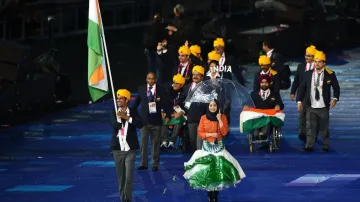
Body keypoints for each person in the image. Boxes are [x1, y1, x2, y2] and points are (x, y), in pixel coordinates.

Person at [184, 100, 246, 202]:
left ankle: (215, 196)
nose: (212, 107)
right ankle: (209, 194)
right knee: (208, 169)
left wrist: (220, 120)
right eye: (210, 105)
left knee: (218, 170)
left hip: (219, 147)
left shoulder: (223, 117)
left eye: (215, 105)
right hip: (207, 147)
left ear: (218, 107)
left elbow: (225, 132)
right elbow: (200, 132)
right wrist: (210, 135)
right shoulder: (203, 117)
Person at [296, 51, 340, 153]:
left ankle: (325, 146)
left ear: (324, 63)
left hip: (323, 106)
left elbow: (336, 88)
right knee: (310, 127)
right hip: (310, 105)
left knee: (324, 128)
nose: (317, 64)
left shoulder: (330, 74)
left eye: (319, 62)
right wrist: (299, 101)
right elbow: (302, 88)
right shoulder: (308, 74)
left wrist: (335, 99)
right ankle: (309, 146)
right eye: (316, 62)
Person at [132, 72, 171, 171]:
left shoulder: (161, 90)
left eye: (152, 79)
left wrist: (168, 115)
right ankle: (143, 163)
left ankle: (155, 164)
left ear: (156, 80)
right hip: (144, 121)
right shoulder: (141, 89)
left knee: (155, 144)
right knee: (143, 144)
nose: (150, 81)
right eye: (149, 79)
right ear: (146, 79)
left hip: (156, 120)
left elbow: (166, 103)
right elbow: (136, 102)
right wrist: (132, 113)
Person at [109, 89, 143, 202]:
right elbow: (116, 125)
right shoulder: (113, 112)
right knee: (121, 177)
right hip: (117, 149)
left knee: (128, 177)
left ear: (126, 100)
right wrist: (119, 118)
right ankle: (122, 199)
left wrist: (127, 117)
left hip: (130, 149)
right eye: (117, 98)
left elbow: (140, 124)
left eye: (121, 98)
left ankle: (127, 199)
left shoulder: (133, 111)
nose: (118, 100)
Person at [290, 45, 317, 142]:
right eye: (306, 55)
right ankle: (302, 133)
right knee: (302, 115)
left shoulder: (318, 67)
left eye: (309, 56)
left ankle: (313, 134)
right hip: (303, 95)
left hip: (315, 96)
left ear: (314, 57)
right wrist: (293, 92)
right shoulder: (301, 67)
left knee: (313, 116)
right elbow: (296, 81)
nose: (306, 57)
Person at [245, 75, 284, 139]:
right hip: (257, 117)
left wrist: (278, 105)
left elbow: (281, 104)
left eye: (266, 82)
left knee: (267, 121)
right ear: (259, 83)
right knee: (256, 132)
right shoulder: (253, 94)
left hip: (269, 117)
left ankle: (263, 133)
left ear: (269, 83)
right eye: (262, 82)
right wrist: (246, 105)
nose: (264, 84)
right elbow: (248, 103)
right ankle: (257, 134)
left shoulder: (275, 94)